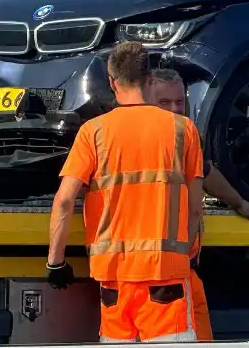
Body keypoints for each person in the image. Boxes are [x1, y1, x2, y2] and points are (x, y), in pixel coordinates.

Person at [45, 41, 204, 343]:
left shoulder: (93, 132)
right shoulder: (183, 130)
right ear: (148, 79)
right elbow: (196, 208)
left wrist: (56, 262)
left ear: (111, 81)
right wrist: (187, 255)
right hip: (165, 277)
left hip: (114, 281)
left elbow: (64, 200)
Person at [147, 68, 249, 342]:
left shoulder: (184, 135)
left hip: (181, 270)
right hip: (165, 271)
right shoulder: (150, 138)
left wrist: (239, 202)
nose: (174, 109)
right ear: (147, 101)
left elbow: (206, 173)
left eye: (179, 102)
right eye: (164, 103)